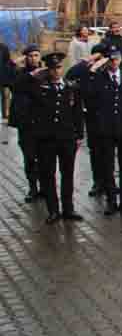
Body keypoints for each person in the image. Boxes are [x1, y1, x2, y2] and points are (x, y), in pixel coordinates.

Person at [17, 53, 84, 223]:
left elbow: (77, 113)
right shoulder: (38, 87)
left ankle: (68, 208)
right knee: (48, 175)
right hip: (46, 139)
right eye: (52, 69)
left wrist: (79, 135)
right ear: (47, 70)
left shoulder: (70, 87)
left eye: (59, 68)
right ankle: (53, 210)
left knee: (67, 174)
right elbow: (18, 86)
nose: (56, 72)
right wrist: (33, 73)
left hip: (67, 138)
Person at [83, 47, 122, 215]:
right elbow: (86, 93)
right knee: (107, 166)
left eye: (116, 59)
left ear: (120, 59)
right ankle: (111, 200)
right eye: (110, 59)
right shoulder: (98, 79)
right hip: (105, 129)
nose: (113, 62)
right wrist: (93, 69)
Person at [65, 43, 107, 197]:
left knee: (109, 152)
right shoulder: (86, 72)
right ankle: (98, 182)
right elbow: (69, 74)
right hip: (92, 117)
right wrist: (89, 61)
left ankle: (109, 182)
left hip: (110, 119)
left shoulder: (111, 71)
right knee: (95, 151)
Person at [11, 45, 43, 202]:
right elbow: (14, 86)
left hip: (43, 122)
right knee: (30, 157)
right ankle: (33, 188)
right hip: (27, 123)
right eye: (30, 56)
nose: (33, 58)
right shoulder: (20, 75)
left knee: (44, 157)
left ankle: (45, 187)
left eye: (36, 55)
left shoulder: (45, 73)